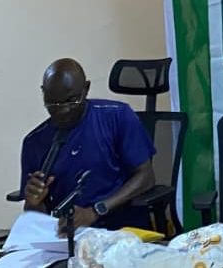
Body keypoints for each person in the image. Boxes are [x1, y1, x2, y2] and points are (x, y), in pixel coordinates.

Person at [21, 58, 155, 232]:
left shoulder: (117, 117)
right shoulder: (34, 142)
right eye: (53, 103)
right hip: (67, 234)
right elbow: (36, 217)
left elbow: (146, 177)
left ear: (86, 89)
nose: (62, 110)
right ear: (43, 93)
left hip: (120, 229)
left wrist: (95, 211)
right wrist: (33, 202)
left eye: (71, 100)